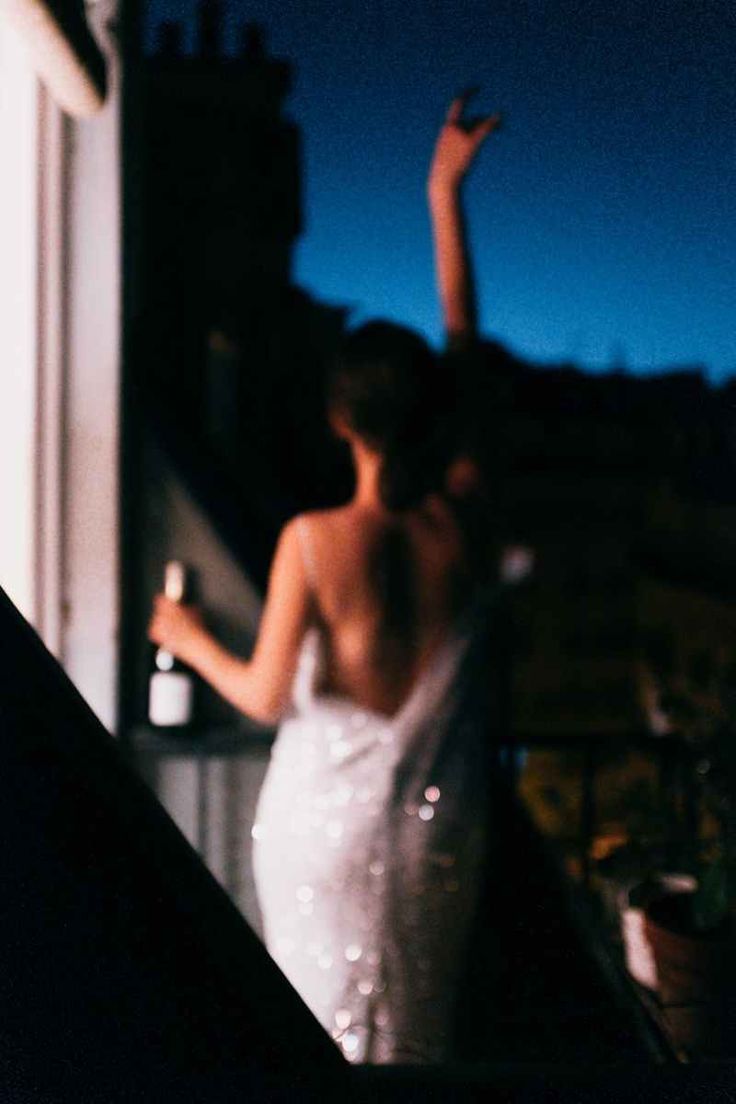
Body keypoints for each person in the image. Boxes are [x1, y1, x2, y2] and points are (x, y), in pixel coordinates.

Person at [148, 92, 501, 1064]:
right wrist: (445, 194)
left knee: (314, 1033)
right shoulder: (459, 524)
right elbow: (465, 355)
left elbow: (263, 695)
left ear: (337, 421)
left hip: (324, 835)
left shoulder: (311, 540)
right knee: (418, 1032)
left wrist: (184, 641)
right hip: (439, 828)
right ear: (429, 418)